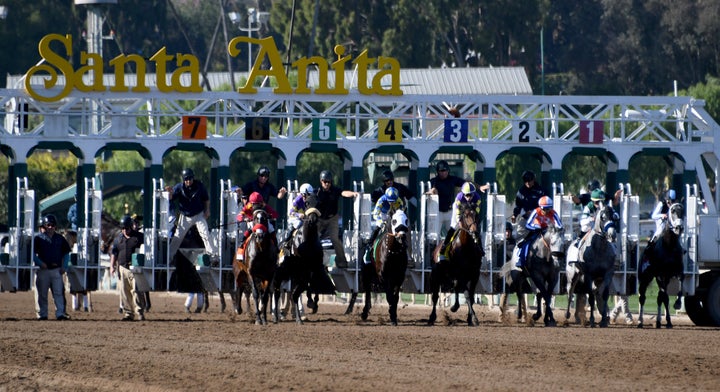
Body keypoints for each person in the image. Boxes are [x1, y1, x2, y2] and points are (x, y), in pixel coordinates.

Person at [165, 168, 218, 262]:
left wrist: (207, 210)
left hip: (198, 214)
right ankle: (169, 258)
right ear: (183, 179)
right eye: (186, 179)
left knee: (205, 234)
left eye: (190, 178)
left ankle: (213, 257)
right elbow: (171, 198)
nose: (188, 181)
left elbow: (206, 199)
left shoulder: (200, 186)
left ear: (193, 178)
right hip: (185, 216)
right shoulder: (179, 187)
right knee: (178, 237)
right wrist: (169, 193)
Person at [315, 170, 359, 268]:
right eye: (324, 181)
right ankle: (314, 261)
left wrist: (353, 193)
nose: (327, 184)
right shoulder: (317, 192)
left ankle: (342, 261)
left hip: (332, 218)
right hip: (320, 219)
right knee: (314, 238)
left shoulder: (334, 190)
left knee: (335, 239)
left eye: (329, 182)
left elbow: (343, 193)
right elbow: (308, 198)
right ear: (321, 181)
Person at [33, 214, 71, 320]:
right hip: (43, 270)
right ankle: (42, 314)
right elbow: (32, 254)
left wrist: (65, 266)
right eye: (48, 225)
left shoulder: (60, 239)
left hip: (56, 270)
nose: (50, 227)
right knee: (42, 294)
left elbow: (66, 253)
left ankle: (60, 313)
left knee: (58, 293)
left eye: (52, 225)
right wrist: (40, 263)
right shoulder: (38, 239)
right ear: (44, 226)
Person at [109, 215, 145, 321]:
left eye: (127, 228)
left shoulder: (139, 237)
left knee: (137, 290)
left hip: (135, 268)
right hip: (122, 268)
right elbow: (114, 253)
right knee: (124, 292)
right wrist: (112, 266)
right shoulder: (118, 239)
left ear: (131, 227)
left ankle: (140, 312)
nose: (125, 231)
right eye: (123, 229)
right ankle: (128, 313)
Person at [437, 182, 485, 262]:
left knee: (476, 228)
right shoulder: (459, 197)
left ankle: (480, 248)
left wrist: (474, 216)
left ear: (474, 194)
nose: (469, 197)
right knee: (453, 227)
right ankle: (443, 249)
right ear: (463, 194)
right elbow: (458, 211)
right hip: (459, 210)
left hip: (471, 211)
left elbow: (477, 210)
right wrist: (459, 220)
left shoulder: (478, 197)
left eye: (470, 195)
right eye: (467, 195)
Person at [515, 196, 563, 269]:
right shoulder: (536, 211)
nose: (547, 211)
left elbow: (559, 224)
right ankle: (520, 259)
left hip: (549, 232)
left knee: (559, 242)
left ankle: (562, 260)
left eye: (548, 208)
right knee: (526, 243)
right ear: (541, 207)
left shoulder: (553, 213)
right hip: (536, 231)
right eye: (545, 209)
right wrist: (535, 227)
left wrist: (557, 228)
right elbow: (528, 224)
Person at [424, 160, 466, 241]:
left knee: (456, 236)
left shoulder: (452, 179)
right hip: (438, 213)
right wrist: (431, 192)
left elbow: (466, 184)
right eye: (441, 171)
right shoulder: (434, 181)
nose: (444, 172)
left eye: (445, 170)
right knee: (433, 238)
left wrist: (479, 187)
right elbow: (428, 191)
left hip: (450, 212)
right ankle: (434, 252)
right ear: (438, 172)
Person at [364, 187, 405, 262]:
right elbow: (375, 214)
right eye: (390, 201)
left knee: (402, 230)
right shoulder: (381, 200)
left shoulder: (399, 201)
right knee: (377, 228)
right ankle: (368, 248)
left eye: (393, 201)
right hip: (382, 215)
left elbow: (401, 214)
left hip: (394, 215)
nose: (391, 203)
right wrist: (382, 222)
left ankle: (405, 248)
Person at [236, 192, 280, 261]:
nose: (256, 206)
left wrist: (270, 216)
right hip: (252, 222)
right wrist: (243, 218)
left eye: (258, 204)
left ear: (261, 203)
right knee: (247, 232)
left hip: (263, 223)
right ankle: (240, 251)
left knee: (271, 229)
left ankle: (276, 247)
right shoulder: (248, 206)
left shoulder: (264, 205)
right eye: (254, 204)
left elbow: (275, 214)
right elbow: (240, 215)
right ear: (251, 203)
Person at [645, 189, 680, 260]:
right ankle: (649, 250)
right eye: (670, 201)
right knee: (658, 233)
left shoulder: (674, 207)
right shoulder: (661, 204)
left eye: (673, 201)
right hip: (661, 224)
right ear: (667, 199)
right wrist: (662, 215)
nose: (671, 204)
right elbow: (653, 216)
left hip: (671, 225)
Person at [279, 183, 314, 248]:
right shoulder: (297, 200)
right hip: (295, 218)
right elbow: (291, 212)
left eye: (309, 195)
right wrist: (298, 214)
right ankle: (285, 242)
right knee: (299, 224)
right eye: (306, 195)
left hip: (305, 218)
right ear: (302, 194)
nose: (307, 197)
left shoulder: (311, 200)